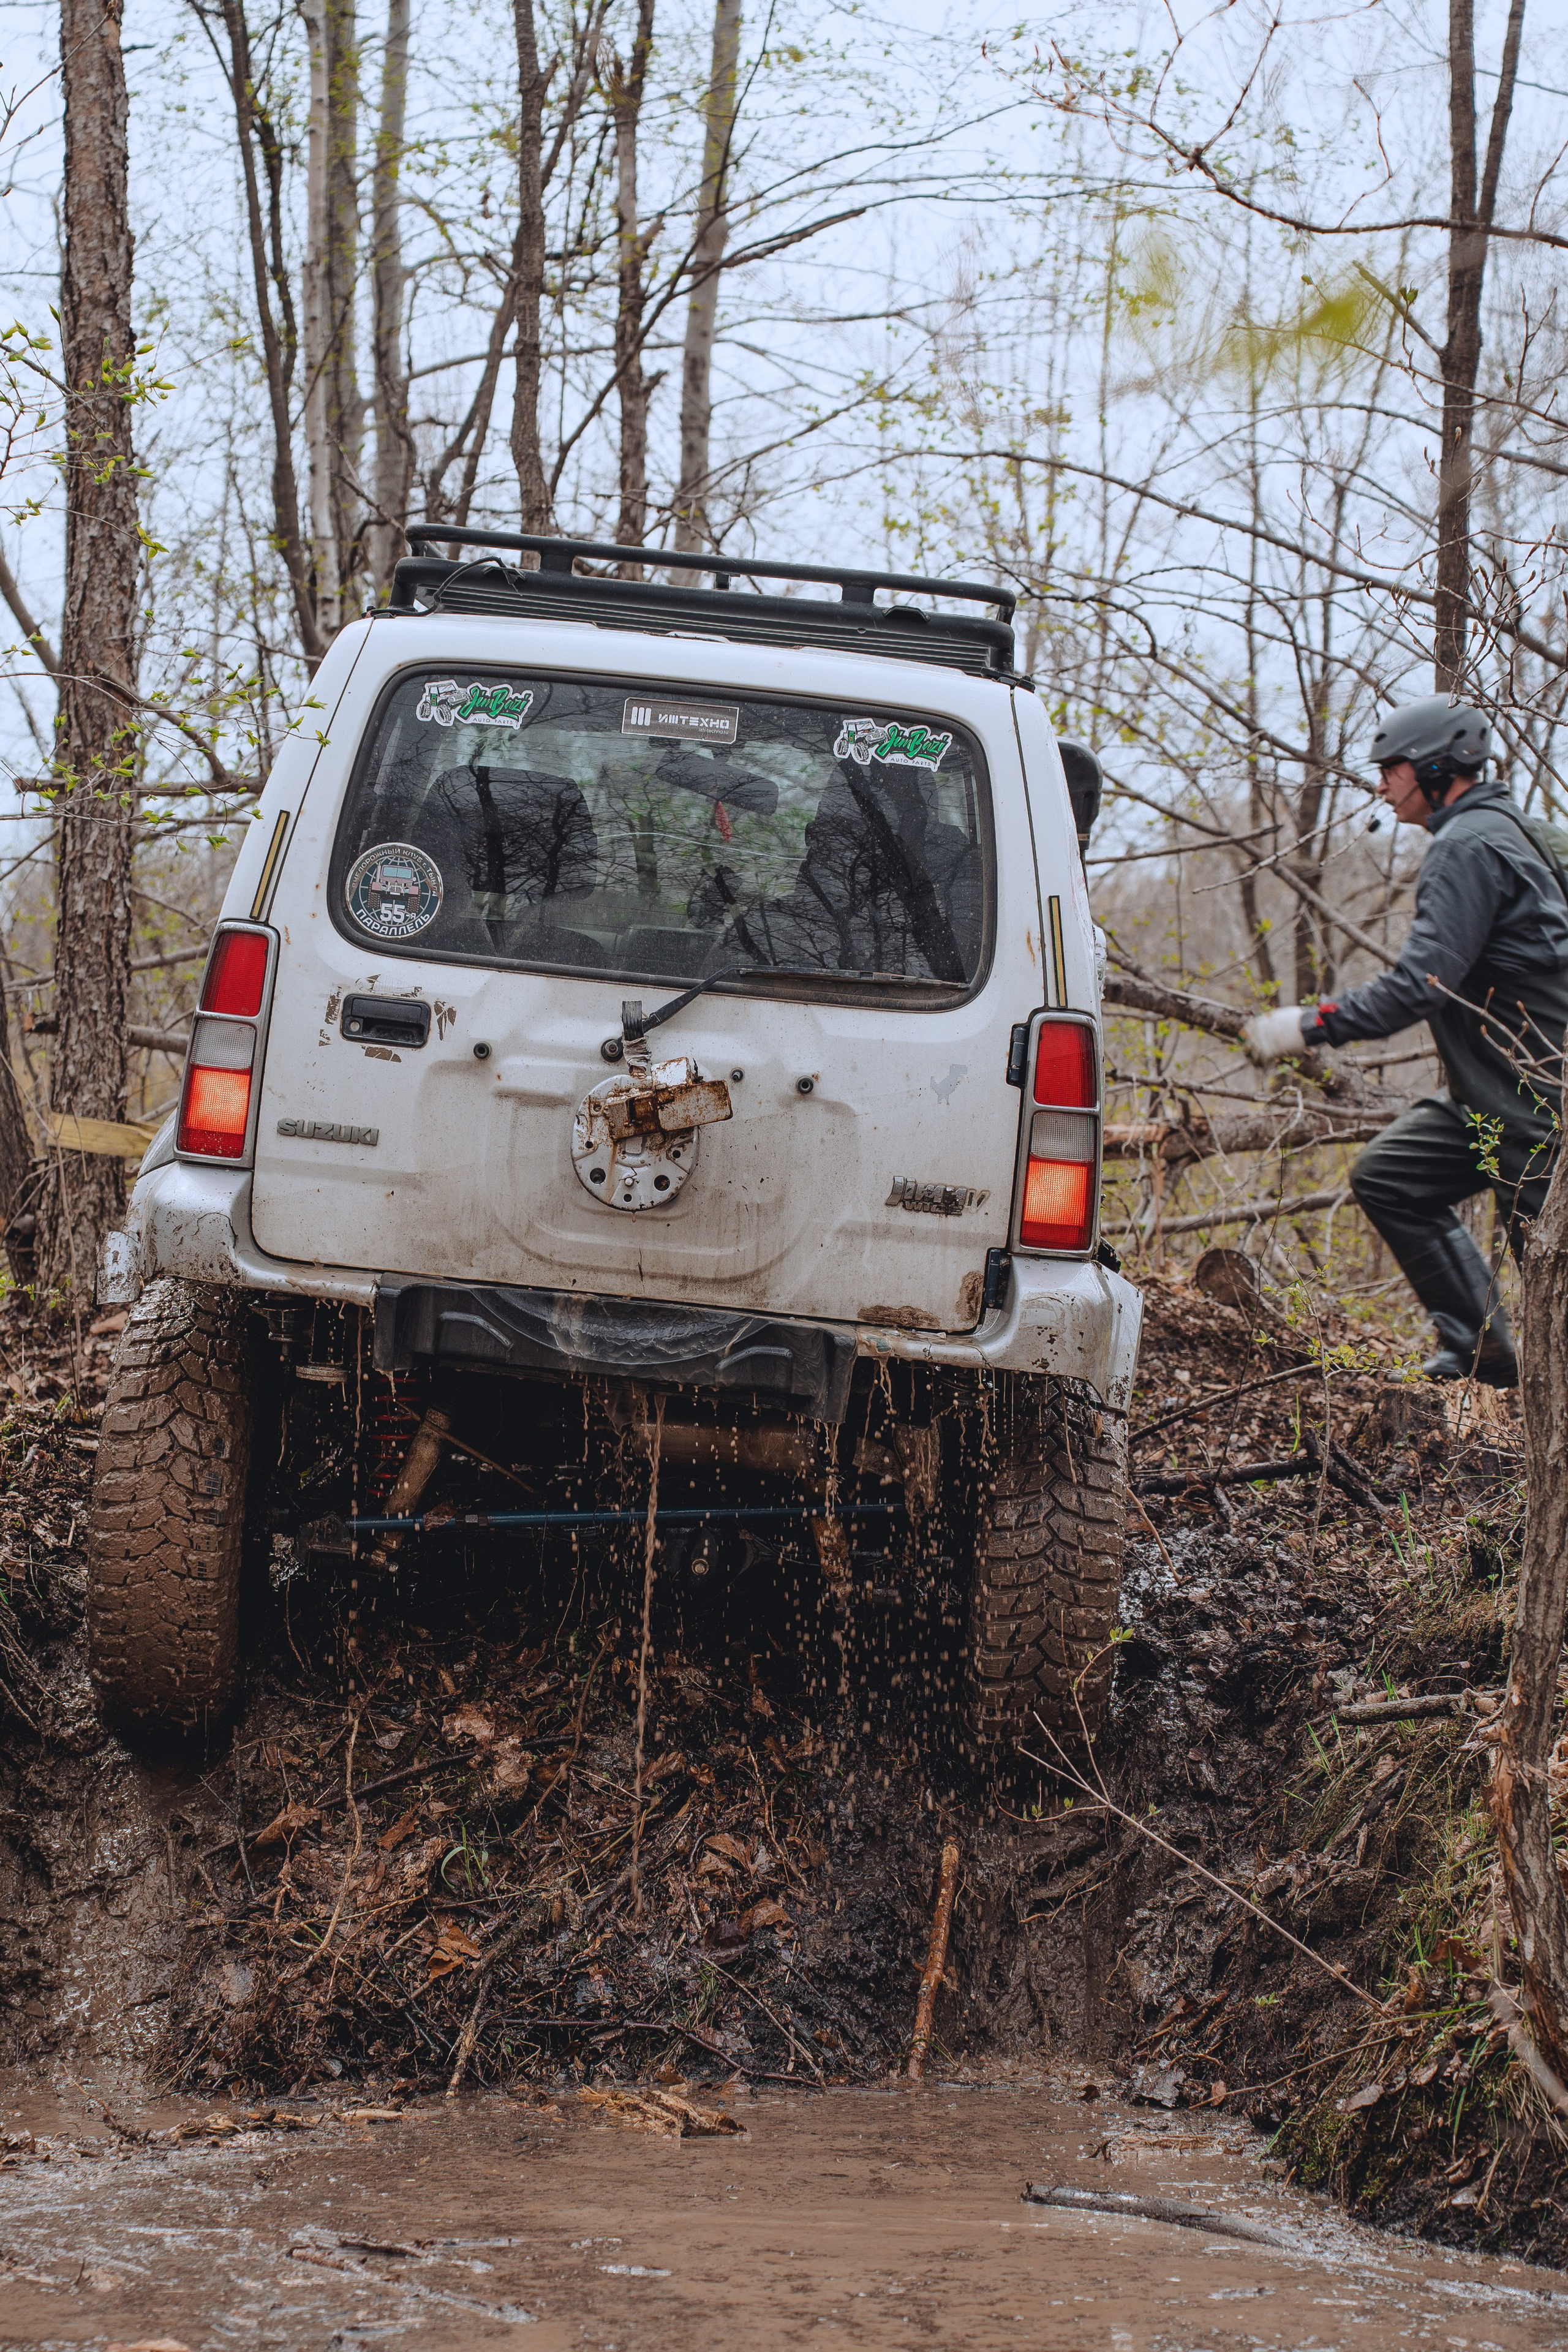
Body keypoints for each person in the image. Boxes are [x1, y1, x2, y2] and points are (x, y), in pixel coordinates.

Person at [1240, 696, 1568, 1387]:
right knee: (1390, 1175)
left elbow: (1421, 987)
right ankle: (1482, 1348)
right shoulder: (1520, 832)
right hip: (1490, 1101)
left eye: (1391, 768)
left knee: (1553, 1287)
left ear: (1437, 766)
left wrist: (1306, 1024)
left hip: (1533, 1110)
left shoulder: (1467, 846)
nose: (1381, 784)